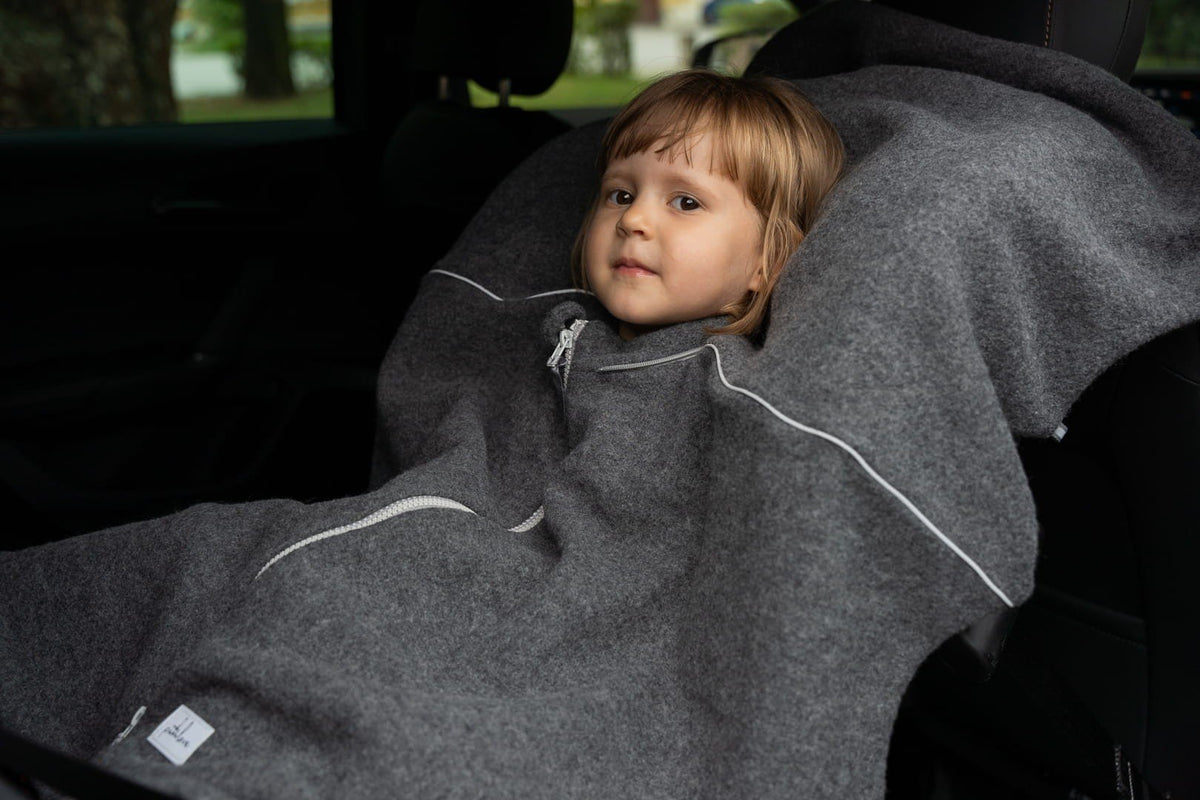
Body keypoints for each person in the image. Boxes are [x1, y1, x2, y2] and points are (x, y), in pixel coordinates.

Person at [572, 69, 844, 341]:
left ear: (769, 262)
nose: (632, 219)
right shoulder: (555, 320)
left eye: (686, 203)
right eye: (621, 196)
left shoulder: (721, 380)